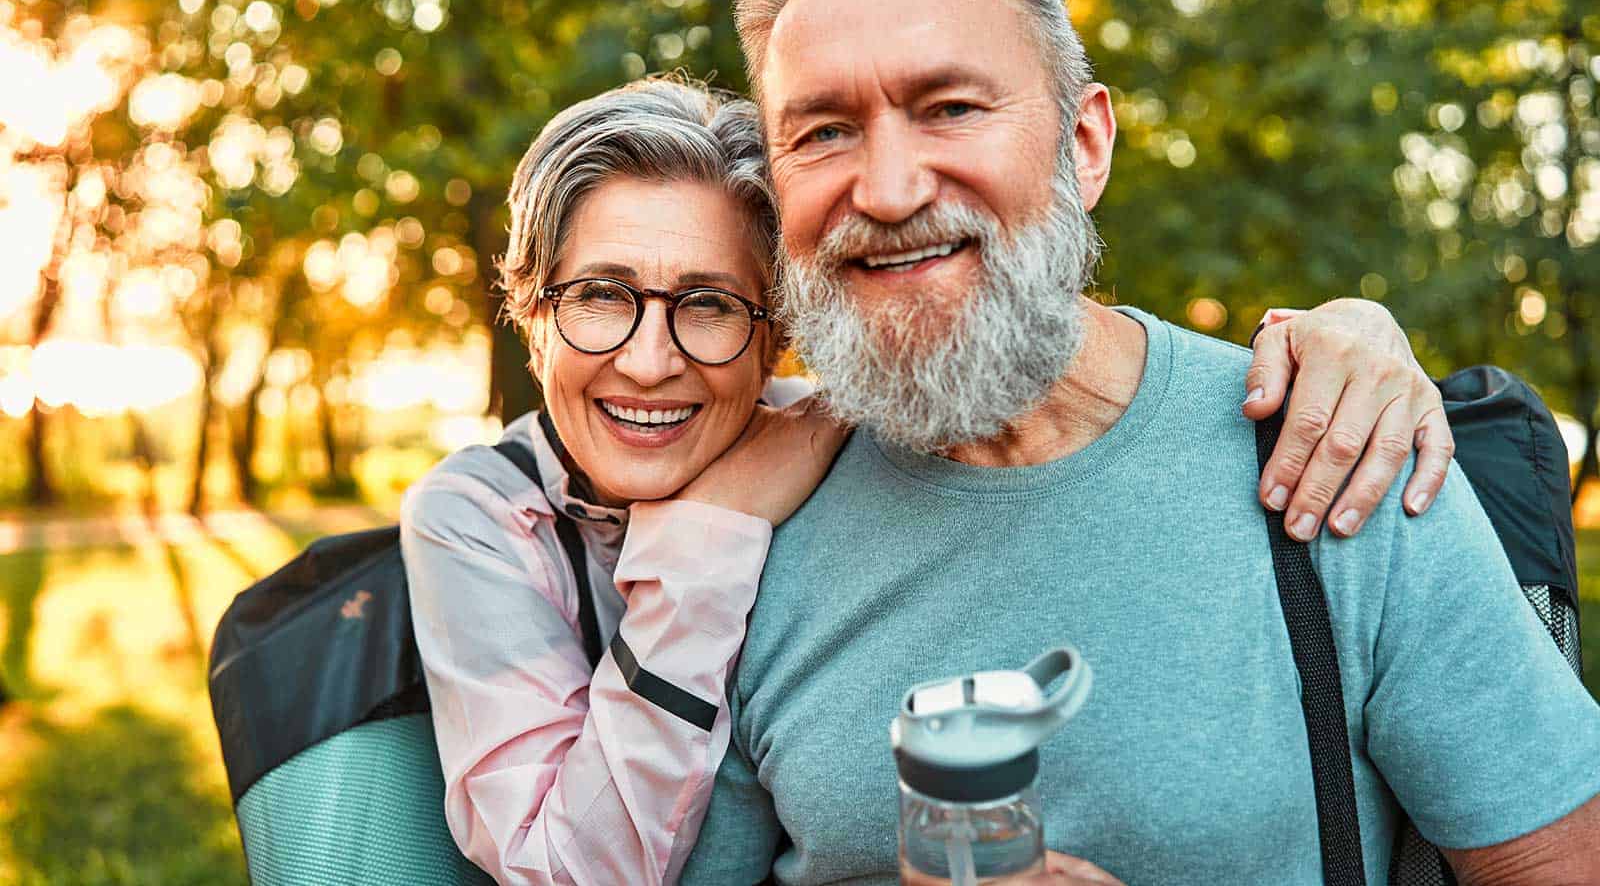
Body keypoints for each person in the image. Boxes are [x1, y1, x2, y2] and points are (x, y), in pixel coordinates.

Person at [677, 0, 1600, 886]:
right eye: (823, 132)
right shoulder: (741, 542)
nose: (888, 188)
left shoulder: (1332, 449)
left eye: (947, 107)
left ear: (1083, 145)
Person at [399, 79, 1453, 884]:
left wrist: (1343, 332)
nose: (648, 359)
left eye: (711, 304)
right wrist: (705, 532)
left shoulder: (849, 437)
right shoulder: (482, 518)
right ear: (529, 309)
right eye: (599, 294)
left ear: (777, 334)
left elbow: (1014, 360)